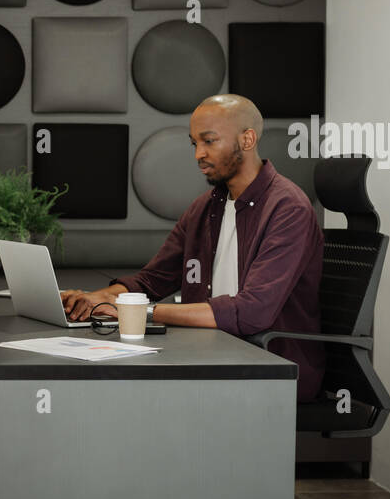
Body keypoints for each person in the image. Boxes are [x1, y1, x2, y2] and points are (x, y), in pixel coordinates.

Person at [61, 94, 326, 402]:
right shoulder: (205, 207)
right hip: (208, 354)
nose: (199, 154)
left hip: (271, 367)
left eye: (209, 141)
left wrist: (138, 312)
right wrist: (99, 298)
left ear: (248, 139)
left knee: (131, 396)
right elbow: (153, 280)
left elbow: (252, 312)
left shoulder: (287, 209)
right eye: (194, 144)